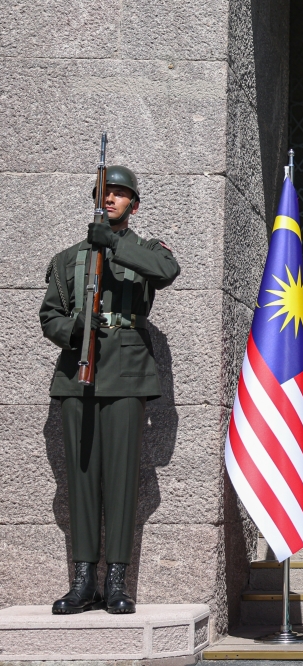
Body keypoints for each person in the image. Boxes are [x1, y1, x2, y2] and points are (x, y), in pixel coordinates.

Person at [40, 166, 181, 614]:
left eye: (119, 194)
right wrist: (75, 326)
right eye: (104, 193)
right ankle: (83, 580)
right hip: (78, 372)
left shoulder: (144, 249)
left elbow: (167, 270)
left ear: (132, 204)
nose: (111, 199)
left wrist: (114, 244)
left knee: (120, 480)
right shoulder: (69, 258)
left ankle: (116, 580)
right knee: (80, 480)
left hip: (125, 373)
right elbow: (49, 316)